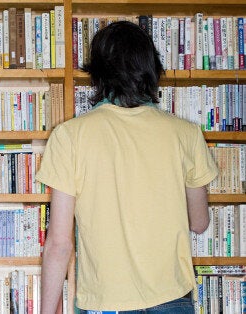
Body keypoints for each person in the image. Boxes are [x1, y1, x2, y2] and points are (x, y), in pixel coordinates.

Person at [36, 21, 218, 313]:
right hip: (171, 300)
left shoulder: (70, 135)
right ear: (151, 69)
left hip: (105, 303)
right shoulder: (186, 134)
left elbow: (59, 243)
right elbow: (199, 223)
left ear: (97, 73)